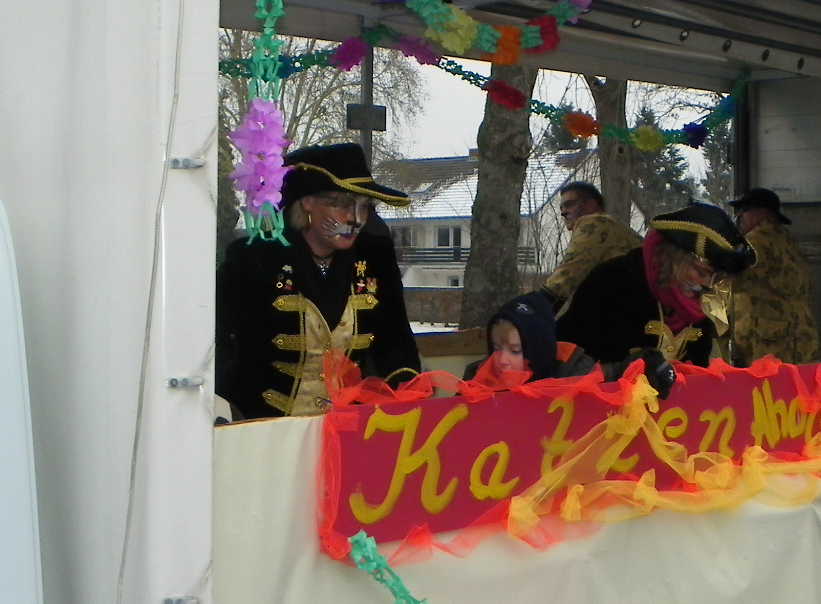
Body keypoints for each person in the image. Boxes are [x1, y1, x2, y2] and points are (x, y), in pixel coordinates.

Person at [217, 144, 422, 420]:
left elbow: (396, 342)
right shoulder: (255, 260)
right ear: (307, 202)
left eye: (364, 207)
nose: (355, 219)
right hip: (263, 430)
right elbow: (218, 346)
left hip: (346, 427)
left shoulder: (374, 258)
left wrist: (404, 395)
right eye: (341, 204)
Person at [557, 204, 754, 367]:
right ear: (675, 259)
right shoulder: (614, 283)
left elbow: (697, 366)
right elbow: (588, 363)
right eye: (701, 272)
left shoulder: (699, 306)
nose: (707, 284)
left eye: (716, 278)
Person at [722, 188, 819, 364]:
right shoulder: (786, 239)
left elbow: (733, 281)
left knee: (770, 383)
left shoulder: (759, 240)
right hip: (799, 339)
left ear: (764, 213)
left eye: (746, 209)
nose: (739, 215)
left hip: (771, 345)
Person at [462, 291, 597, 386]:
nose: (503, 360)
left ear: (538, 350)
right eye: (497, 349)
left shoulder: (576, 373)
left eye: (515, 351)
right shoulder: (476, 378)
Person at [539, 181, 640, 309]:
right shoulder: (614, 227)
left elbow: (566, 276)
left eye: (569, 204)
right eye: (561, 208)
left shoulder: (596, 222)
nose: (563, 212)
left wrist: (531, 312)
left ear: (591, 205)